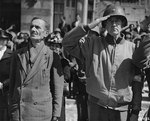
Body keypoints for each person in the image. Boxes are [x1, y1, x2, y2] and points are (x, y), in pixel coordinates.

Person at [62, 4, 143, 121]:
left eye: (117, 21)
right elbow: (67, 42)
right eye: (110, 21)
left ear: (123, 24)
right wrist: (90, 25)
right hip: (96, 107)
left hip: (122, 110)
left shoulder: (132, 49)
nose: (114, 24)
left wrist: (135, 110)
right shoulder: (93, 44)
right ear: (105, 24)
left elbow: (137, 82)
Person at [9, 17, 64, 121]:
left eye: (37, 27)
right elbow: (12, 84)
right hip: (19, 112)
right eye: (31, 27)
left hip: (41, 113)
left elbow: (58, 88)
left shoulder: (52, 56)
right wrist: (12, 107)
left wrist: (56, 114)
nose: (33, 29)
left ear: (45, 33)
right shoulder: (18, 54)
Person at [0, 30, 13, 121]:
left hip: (5, 92)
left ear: (7, 41)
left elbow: (14, 75)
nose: (1, 42)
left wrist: (3, 84)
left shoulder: (11, 55)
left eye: (3, 40)